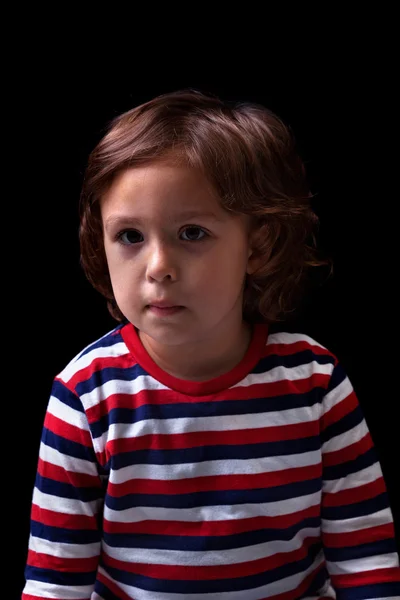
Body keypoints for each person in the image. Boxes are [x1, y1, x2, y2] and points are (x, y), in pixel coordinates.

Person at [22, 89, 400, 600]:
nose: (158, 267)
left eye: (192, 232)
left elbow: (366, 561)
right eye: (130, 236)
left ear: (258, 246)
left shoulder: (316, 385)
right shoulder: (85, 397)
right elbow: (55, 583)